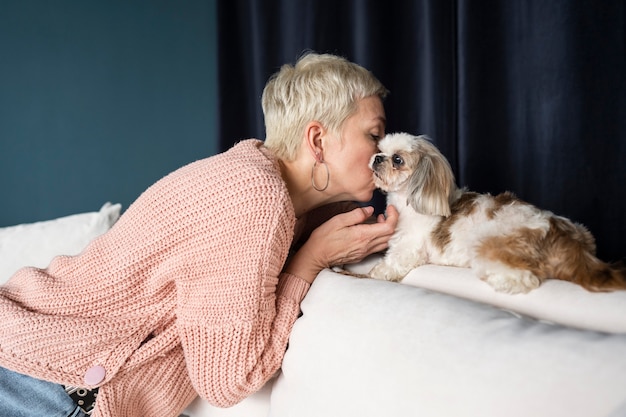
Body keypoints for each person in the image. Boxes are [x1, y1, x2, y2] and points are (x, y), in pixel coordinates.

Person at [0, 51, 398, 417]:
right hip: (34, 381)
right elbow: (227, 382)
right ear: (317, 140)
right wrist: (309, 261)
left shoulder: (273, 194)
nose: (384, 149)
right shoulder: (255, 197)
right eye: (373, 135)